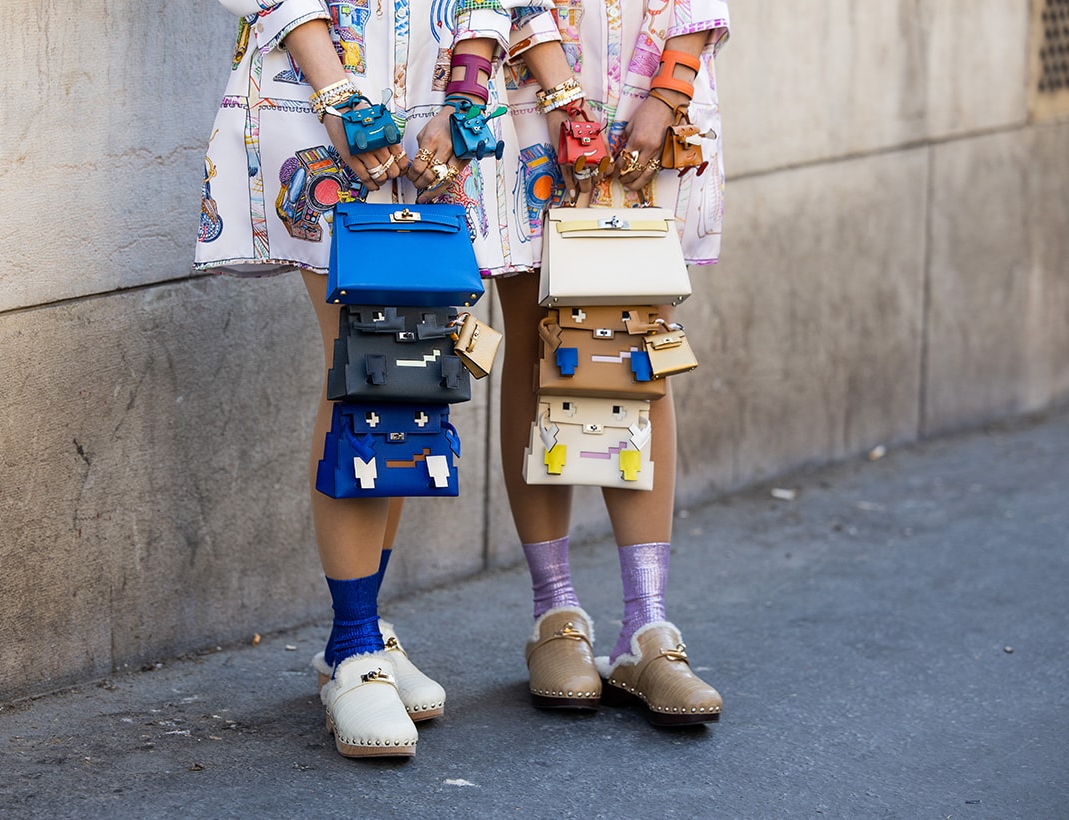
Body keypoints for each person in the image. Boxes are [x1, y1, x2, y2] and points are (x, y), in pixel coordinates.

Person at [194, 0, 552, 758]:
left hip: (438, 111)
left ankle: (358, 636)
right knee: (368, 370)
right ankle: (354, 648)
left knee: (410, 376)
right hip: (318, 99)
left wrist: (464, 94)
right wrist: (335, 92)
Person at [490, 0, 731, 727]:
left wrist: (668, 90)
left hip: (651, 93)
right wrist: (562, 95)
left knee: (637, 340)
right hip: (530, 95)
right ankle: (553, 616)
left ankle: (646, 628)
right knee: (539, 343)